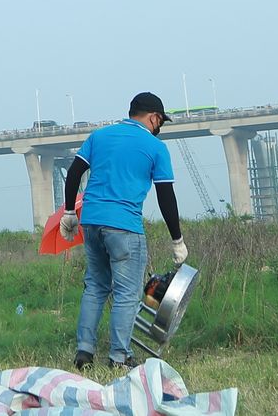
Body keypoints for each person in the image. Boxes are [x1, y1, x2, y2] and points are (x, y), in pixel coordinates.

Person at [58, 92, 186, 371]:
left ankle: (84, 352)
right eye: (160, 122)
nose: (159, 128)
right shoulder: (155, 147)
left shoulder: (99, 137)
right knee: (127, 293)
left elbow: (74, 172)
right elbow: (166, 196)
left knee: (95, 286)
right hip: (124, 226)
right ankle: (119, 356)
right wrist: (177, 239)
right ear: (154, 118)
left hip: (91, 222)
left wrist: (69, 211)